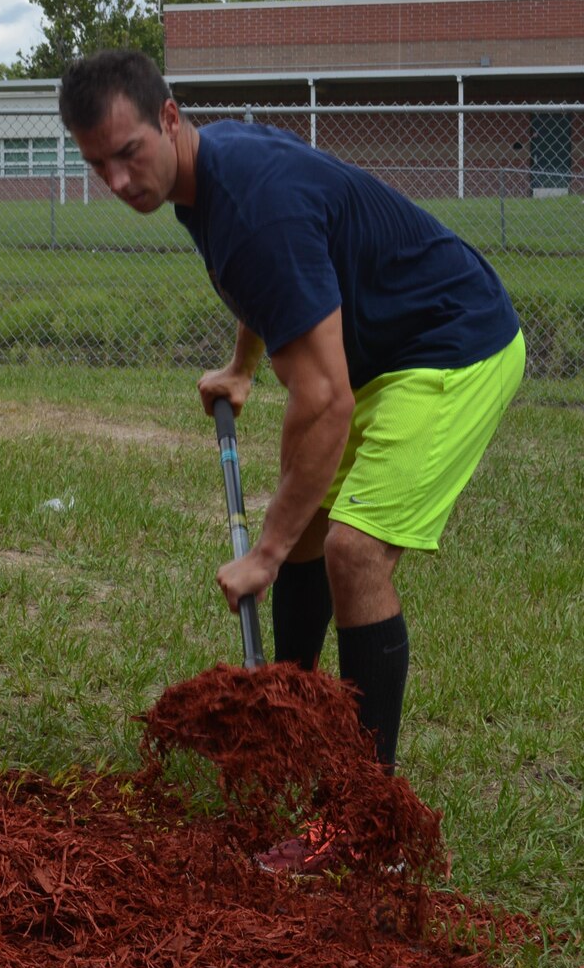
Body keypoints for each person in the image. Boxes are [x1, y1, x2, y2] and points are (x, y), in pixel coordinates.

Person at [59, 50, 525, 873]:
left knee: (348, 551)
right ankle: (288, 729)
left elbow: (325, 400)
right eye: (97, 164)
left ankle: (363, 823)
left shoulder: (250, 205)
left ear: (169, 118)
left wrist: (265, 554)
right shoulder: (206, 179)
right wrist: (242, 365)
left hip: (454, 344)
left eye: (128, 152)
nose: (118, 180)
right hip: (384, 349)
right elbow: (273, 286)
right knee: (314, 531)